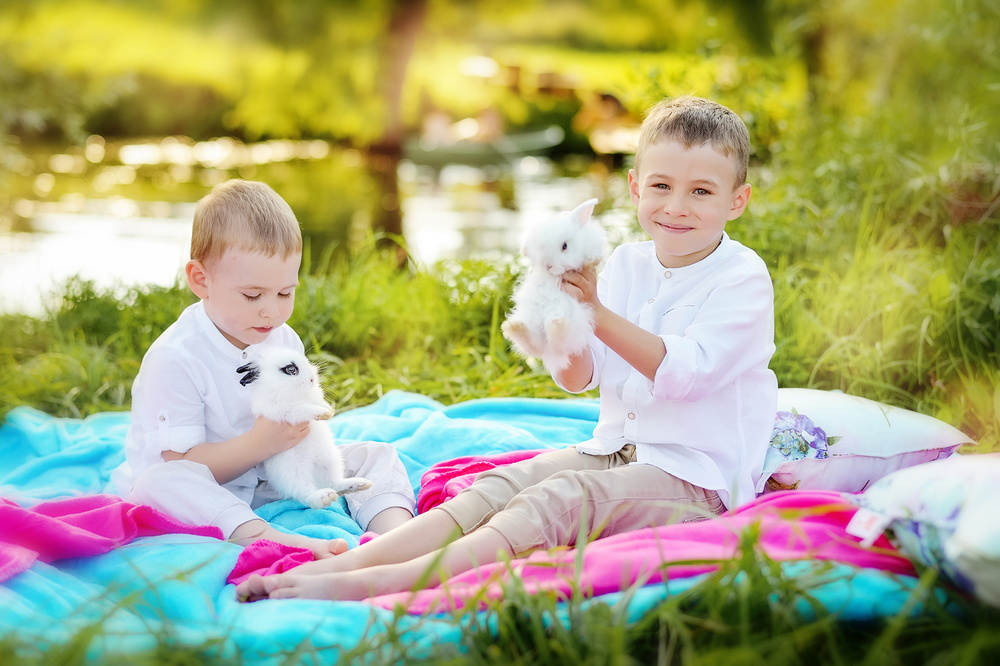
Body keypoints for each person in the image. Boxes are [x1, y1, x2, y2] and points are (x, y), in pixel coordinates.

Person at [236, 95, 778, 601]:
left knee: (561, 499)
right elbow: (580, 379)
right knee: (505, 483)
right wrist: (559, 324)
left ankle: (384, 581)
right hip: (619, 445)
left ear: (737, 201)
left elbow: (687, 374)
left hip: (698, 480)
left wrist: (598, 313)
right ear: (635, 187)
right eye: (661, 187)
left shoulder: (742, 278)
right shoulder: (627, 264)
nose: (675, 207)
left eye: (701, 191)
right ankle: (357, 559)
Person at [111, 179, 416, 559]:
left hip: (277, 473)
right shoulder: (175, 358)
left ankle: (399, 538)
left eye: (286, 293)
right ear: (201, 280)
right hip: (212, 488)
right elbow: (182, 464)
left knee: (375, 453)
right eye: (253, 296)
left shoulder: (280, 337)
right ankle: (275, 540)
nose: (272, 311)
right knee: (159, 484)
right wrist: (260, 443)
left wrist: (304, 442)